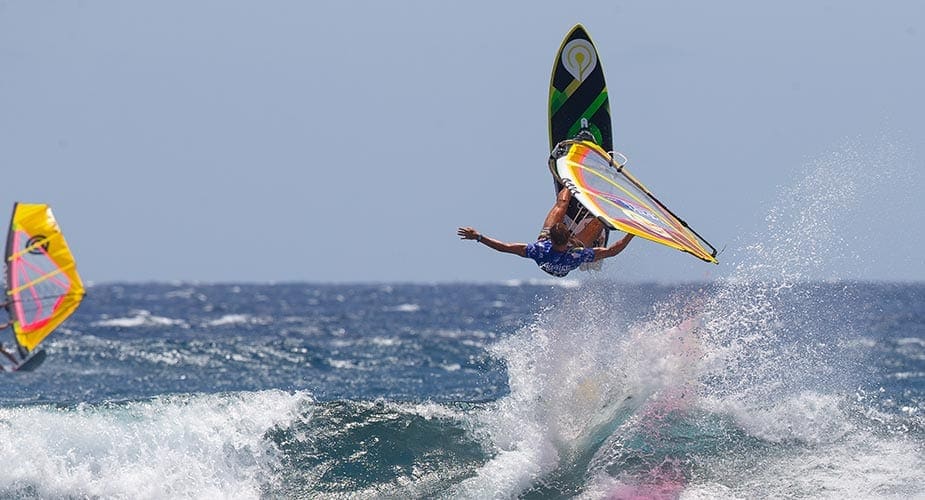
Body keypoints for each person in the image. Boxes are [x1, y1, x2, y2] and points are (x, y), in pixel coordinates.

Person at [458, 187, 634, 277]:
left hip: (547, 260)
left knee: (561, 206)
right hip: (562, 266)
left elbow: (504, 247)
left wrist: (478, 237)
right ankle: (603, 213)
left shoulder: (538, 249)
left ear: (549, 237)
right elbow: (612, 251)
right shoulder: (575, 254)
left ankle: (570, 184)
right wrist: (631, 232)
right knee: (599, 222)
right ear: (568, 242)